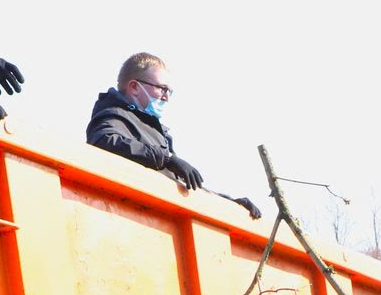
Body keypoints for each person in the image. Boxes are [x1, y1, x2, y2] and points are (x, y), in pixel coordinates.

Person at [85, 54, 264, 219]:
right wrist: (167, 159)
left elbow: (179, 183)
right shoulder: (115, 116)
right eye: (162, 89)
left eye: (169, 91)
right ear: (134, 87)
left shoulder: (155, 131)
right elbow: (104, 141)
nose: (166, 97)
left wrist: (230, 204)